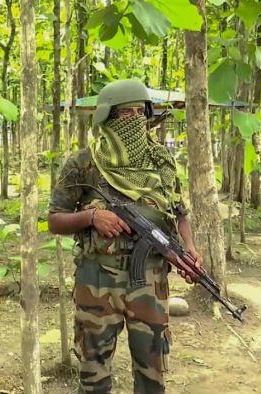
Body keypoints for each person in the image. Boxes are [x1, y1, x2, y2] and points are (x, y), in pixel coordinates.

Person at [48, 79, 203, 394]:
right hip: (97, 279)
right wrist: (92, 217)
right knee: (93, 376)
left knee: (152, 374)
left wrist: (189, 249)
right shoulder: (82, 164)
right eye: (125, 113)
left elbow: (178, 211)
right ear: (107, 117)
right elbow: (54, 220)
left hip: (150, 279)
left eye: (139, 112)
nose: (134, 119)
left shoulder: (161, 160)